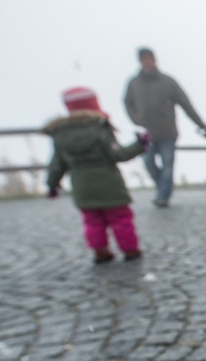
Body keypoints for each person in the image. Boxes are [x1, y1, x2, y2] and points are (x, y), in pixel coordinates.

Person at [44, 86, 149, 264]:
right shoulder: (100, 128)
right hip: (109, 184)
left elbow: (56, 164)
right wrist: (140, 144)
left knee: (92, 222)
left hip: (82, 187)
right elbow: (118, 154)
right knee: (121, 218)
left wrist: (52, 185)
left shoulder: (60, 134)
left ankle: (100, 252)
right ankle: (130, 250)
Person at [124, 47, 206, 207]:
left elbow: (186, 104)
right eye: (144, 59)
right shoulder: (134, 83)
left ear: (155, 60)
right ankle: (162, 189)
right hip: (146, 134)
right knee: (149, 163)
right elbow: (127, 103)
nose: (147, 61)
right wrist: (136, 119)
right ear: (140, 61)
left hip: (167, 132)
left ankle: (163, 196)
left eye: (150, 58)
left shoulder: (167, 82)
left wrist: (202, 125)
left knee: (168, 165)